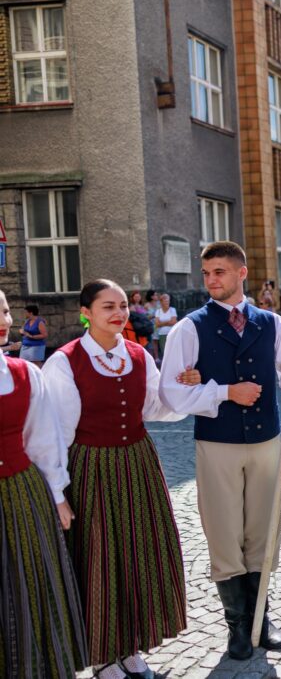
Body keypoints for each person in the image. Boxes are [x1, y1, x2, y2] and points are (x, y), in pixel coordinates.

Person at [158, 242, 281, 660]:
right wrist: (225, 391)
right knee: (224, 532)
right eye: (207, 273)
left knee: (264, 531)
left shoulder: (273, 324)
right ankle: (235, 624)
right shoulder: (189, 328)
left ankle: (260, 619)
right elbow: (172, 395)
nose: (211, 280)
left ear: (242, 273)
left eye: (219, 272)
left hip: (267, 441)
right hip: (217, 444)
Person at [42, 280, 197, 679]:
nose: (119, 312)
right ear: (86, 312)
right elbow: (58, 432)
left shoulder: (137, 355)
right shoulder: (66, 361)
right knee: (100, 559)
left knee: (139, 554)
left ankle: (132, 648)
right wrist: (58, 491)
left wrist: (182, 386)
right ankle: (104, 656)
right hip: (92, 468)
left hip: (139, 464)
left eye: (124, 305)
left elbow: (154, 408)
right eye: (108, 306)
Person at [0, 288, 88, 678]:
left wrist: (57, 495)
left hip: (21, 495)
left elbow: (44, 439)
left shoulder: (24, 373)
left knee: (27, 587)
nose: (4, 320)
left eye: (4, 310)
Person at [153, 293, 178, 359]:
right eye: (166, 301)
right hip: (162, 334)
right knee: (165, 352)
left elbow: (174, 322)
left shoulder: (172, 310)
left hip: (172, 333)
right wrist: (168, 322)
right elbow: (157, 324)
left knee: (174, 351)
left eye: (168, 301)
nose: (168, 302)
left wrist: (162, 323)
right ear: (161, 302)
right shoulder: (158, 311)